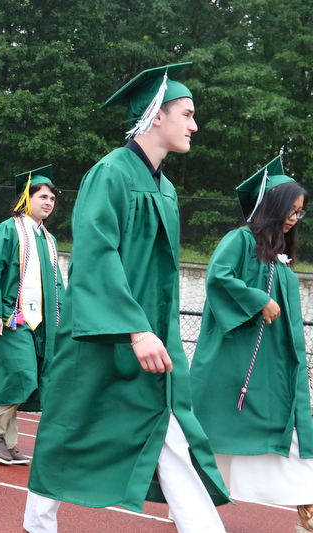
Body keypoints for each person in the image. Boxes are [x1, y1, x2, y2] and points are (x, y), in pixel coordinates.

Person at [23, 63, 231, 533]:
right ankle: (37, 524)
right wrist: (135, 329)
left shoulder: (167, 188)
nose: (194, 125)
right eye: (187, 113)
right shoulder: (110, 174)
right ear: (157, 116)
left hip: (153, 337)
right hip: (102, 337)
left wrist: (154, 331)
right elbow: (96, 257)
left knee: (173, 431)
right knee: (69, 431)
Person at [190, 157, 313, 533]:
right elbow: (218, 276)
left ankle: (305, 511)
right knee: (221, 437)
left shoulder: (281, 257)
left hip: (278, 367)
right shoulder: (241, 240)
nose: (295, 218)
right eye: (291, 209)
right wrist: (258, 299)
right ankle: (188, 504)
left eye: (300, 213)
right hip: (237, 366)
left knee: (291, 433)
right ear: (273, 205)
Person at [0, 167, 64, 467]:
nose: (48, 203)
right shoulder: (7, 230)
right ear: (27, 198)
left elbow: (57, 284)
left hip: (41, 325)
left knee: (28, 380)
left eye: (52, 198)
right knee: (21, 376)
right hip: (11, 319)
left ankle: (7, 441)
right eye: (43, 197)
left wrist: (63, 321)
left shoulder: (48, 240)